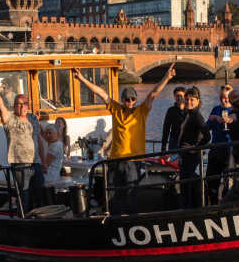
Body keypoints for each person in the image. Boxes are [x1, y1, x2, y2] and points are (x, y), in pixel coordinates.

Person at [72, 63, 177, 214]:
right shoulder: (116, 109)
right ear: (122, 100)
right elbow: (101, 93)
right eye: (127, 99)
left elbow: (153, 93)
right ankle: (114, 217)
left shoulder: (141, 111)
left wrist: (166, 77)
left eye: (132, 99)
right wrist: (82, 78)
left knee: (131, 193)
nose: (130, 102)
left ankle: (130, 218)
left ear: (135, 100)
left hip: (133, 161)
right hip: (115, 160)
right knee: (113, 193)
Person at [0, 80, 35, 212]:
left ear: (28, 105)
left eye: (24, 104)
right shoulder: (10, 119)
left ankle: (34, 214)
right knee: (24, 193)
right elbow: (2, 108)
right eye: (19, 104)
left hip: (33, 162)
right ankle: (23, 217)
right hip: (19, 163)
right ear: (14, 106)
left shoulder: (31, 119)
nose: (22, 107)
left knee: (35, 192)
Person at [177, 87, 211, 208]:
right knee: (185, 185)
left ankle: (189, 210)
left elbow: (207, 136)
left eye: (192, 99)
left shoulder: (197, 116)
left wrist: (195, 148)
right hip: (185, 156)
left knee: (187, 185)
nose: (188, 102)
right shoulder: (188, 114)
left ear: (198, 100)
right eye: (186, 99)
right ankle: (186, 209)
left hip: (191, 157)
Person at [205, 85, 234, 205]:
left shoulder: (234, 111)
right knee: (211, 181)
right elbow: (207, 127)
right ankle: (212, 204)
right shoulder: (216, 109)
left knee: (229, 181)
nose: (225, 100)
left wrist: (229, 121)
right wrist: (212, 118)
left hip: (229, 151)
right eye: (222, 97)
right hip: (215, 150)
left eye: (227, 97)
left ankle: (227, 205)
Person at [161, 86, 186, 153]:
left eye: (181, 96)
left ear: (185, 96)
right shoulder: (171, 111)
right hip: (174, 142)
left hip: (186, 142)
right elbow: (166, 128)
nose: (179, 98)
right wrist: (163, 146)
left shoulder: (189, 110)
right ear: (174, 97)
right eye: (177, 96)